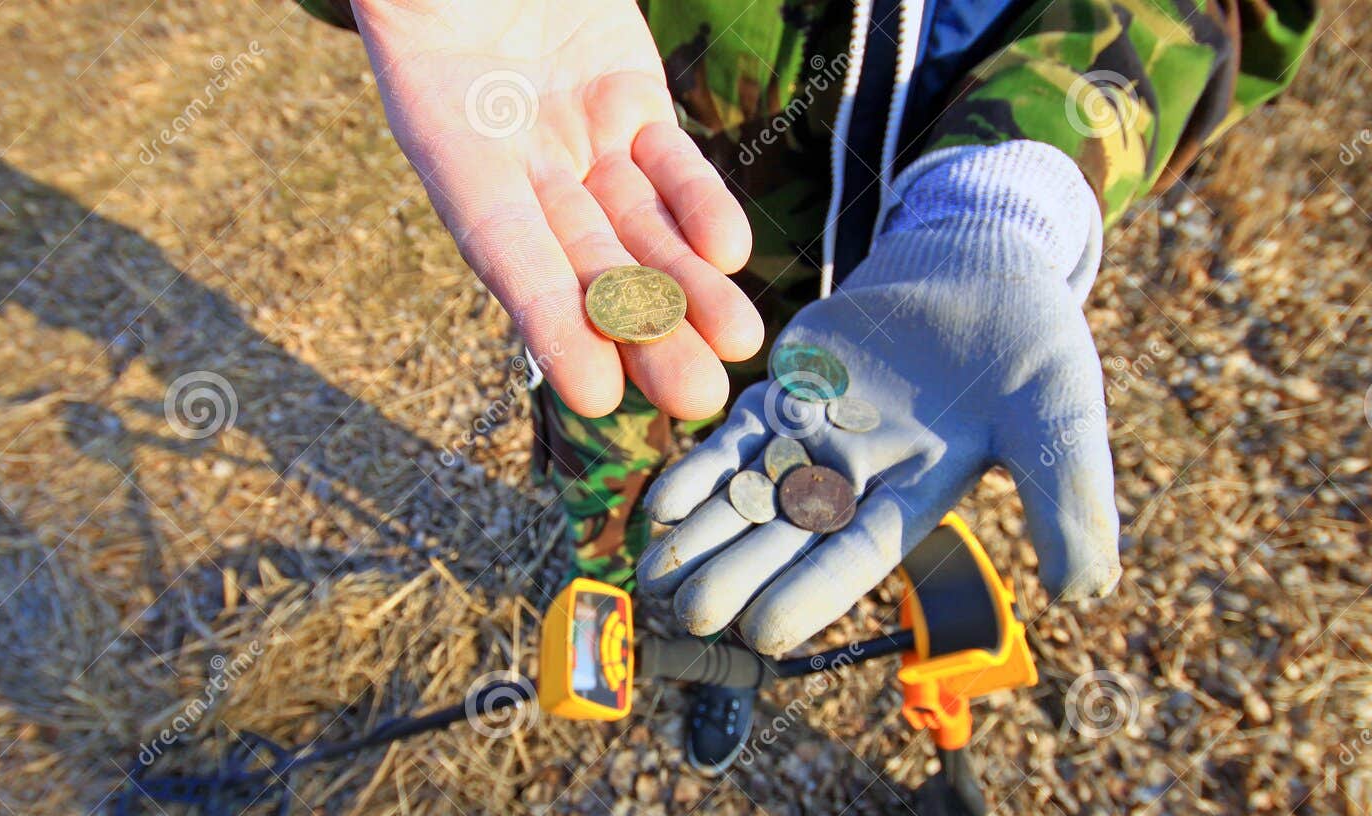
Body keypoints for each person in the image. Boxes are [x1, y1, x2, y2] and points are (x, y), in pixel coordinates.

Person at [297, 0, 1317, 769]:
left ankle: (722, 663)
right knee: (600, 436)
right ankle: (602, 590)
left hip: (893, 273)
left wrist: (1003, 199)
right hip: (641, 199)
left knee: (781, 525)